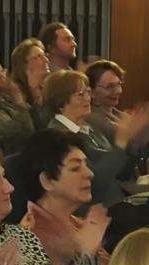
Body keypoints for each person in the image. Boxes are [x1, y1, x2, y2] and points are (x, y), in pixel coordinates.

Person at [41, 69, 137, 208]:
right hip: (91, 210)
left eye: (87, 92)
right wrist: (120, 145)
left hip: (116, 202)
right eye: (80, 94)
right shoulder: (58, 136)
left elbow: (122, 172)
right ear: (60, 102)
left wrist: (129, 139)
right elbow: (91, 181)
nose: (87, 98)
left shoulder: (88, 128)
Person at [18, 130, 108, 265]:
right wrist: (86, 253)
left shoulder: (76, 223)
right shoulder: (33, 238)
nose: (89, 174)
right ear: (47, 181)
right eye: (75, 168)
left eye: (86, 165)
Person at [8, 38, 50, 129]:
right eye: (39, 56)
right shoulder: (15, 92)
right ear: (24, 64)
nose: (46, 60)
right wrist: (34, 89)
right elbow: (29, 128)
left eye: (45, 55)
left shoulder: (49, 88)